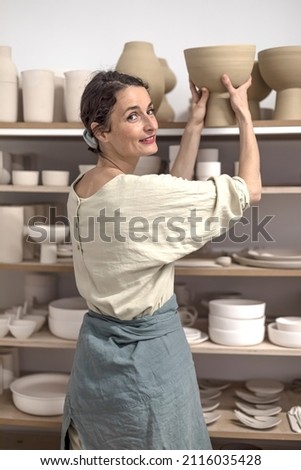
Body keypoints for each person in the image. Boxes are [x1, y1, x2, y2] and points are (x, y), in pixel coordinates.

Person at [61, 69, 261, 450]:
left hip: (96, 360)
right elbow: (250, 190)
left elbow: (170, 194)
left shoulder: (81, 188)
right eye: (133, 116)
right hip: (146, 362)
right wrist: (243, 114)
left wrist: (194, 126)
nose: (150, 123)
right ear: (100, 131)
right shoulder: (136, 194)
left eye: (149, 110)